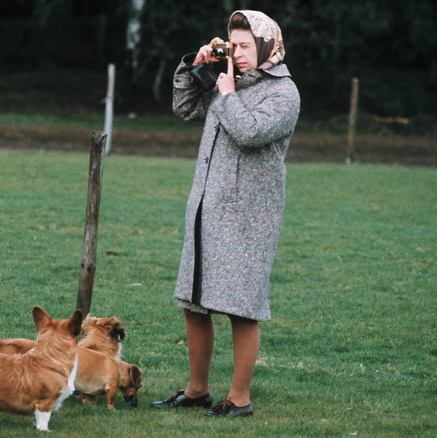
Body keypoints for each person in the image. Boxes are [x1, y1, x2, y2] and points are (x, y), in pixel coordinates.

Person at [151, 10, 300, 417]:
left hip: (249, 216)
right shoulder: (225, 81)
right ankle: (197, 390)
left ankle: (239, 399)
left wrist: (229, 92)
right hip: (206, 206)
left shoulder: (283, 93)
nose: (240, 54)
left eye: (247, 46)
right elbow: (184, 108)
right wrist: (194, 67)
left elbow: (250, 133)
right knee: (195, 302)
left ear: (269, 46)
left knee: (240, 307)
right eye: (235, 46)